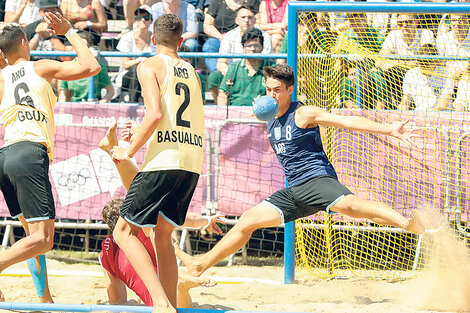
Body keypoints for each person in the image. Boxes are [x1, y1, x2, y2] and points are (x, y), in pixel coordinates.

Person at [174, 64, 425, 279]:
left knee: (353, 207)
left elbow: (347, 121)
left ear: (290, 90)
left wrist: (389, 129)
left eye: (277, 90)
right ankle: (200, 264)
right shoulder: (268, 113)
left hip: (316, 179)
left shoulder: (304, 113)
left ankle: (406, 223)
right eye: (268, 89)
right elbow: (248, 111)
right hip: (294, 189)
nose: (271, 95)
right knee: (248, 221)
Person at [0, 12, 101, 302]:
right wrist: (69, 32)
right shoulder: (40, 66)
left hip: (5, 156)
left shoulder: (2, 77)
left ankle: (44, 300)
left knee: (33, 238)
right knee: (43, 239)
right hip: (29, 153)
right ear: (23, 42)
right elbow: (91, 66)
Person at [109, 14, 205, 313]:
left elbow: (154, 115)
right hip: (191, 161)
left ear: (153, 39)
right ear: (180, 41)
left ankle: (162, 303)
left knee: (123, 233)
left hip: (165, 158)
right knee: (163, 236)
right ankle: (170, 303)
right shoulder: (194, 71)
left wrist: (129, 150)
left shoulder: (149, 64)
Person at [100, 199, 218, 308]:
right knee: (164, 241)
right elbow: (187, 219)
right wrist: (207, 221)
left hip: (152, 296)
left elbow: (117, 301)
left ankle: (182, 281)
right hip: (166, 283)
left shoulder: (104, 253)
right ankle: (182, 283)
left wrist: (134, 301)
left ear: (110, 226)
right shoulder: (144, 228)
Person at [208, 5, 272, 102]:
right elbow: (221, 63)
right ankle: (220, 107)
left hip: (259, 72)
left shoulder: (265, 36)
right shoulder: (229, 36)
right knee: (214, 77)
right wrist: (232, 73)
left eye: (250, 17)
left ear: (255, 19)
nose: (246, 20)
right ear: (236, 20)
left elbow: (266, 61)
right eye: (243, 17)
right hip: (233, 72)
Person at [217, 28, 274, 106]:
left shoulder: (272, 68)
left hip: (263, 112)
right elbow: (223, 92)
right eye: (249, 46)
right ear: (243, 48)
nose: (253, 49)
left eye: (256, 45)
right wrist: (222, 112)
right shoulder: (234, 66)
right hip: (235, 111)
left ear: (263, 47)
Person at [202, 0, 260, 72]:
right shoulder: (217, 2)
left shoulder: (253, 2)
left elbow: (258, 22)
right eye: (243, 17)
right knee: (209, 46)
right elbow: (207, 25)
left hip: (248, 36)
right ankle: (217, 72)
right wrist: (220, 36)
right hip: (220, 37)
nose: (246, 19)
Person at [114, 5, 155, 103]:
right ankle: (133, 103)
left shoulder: (155, 38)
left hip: (150, 74)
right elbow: (126, 65)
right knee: (136, 69)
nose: (142, 20)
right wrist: (140, 60)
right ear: (135, 21)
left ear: (151, 21)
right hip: (128, 76)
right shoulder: (127, 37)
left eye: (146, 18)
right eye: (138, 18)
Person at [58, 30, 114, 103]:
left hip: (94, 106)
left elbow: (110, 91)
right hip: (74, 106)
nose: (81, 49)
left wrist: (101, 103)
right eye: (78, 46)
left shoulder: (99, 67)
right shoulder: (66, 67)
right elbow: (63, 94)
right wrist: (62, 107)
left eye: (85, 46)